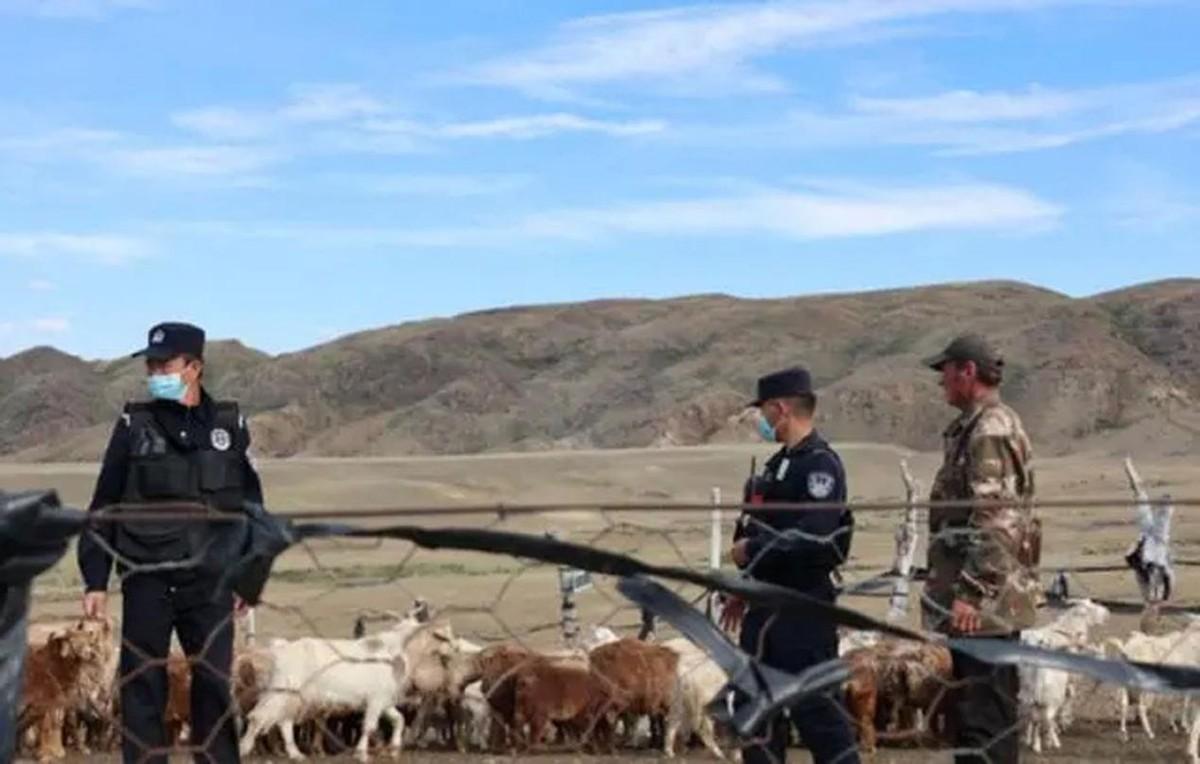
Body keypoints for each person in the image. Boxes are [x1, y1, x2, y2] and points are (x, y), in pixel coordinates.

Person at [77, 322, 262, 764]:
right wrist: (95, 581)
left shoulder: (229, 426)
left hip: (211, 582)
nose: (155, 371)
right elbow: (105, 504)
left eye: (166, 363)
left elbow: (253, 507)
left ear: (194, 367)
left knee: (215, 685)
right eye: (151, 364)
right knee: (142, 685)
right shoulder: (133, 425)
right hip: (147, 578)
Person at [720, 366, 859, 764]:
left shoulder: (819, 466)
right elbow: (755, 524)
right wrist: (744, 584)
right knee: (756, 716)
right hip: (762, 611)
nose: (762, 422)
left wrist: (754, 550)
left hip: (802, 612)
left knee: (819, 715)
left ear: (781, 409)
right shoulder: (775, 466)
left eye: (764, 412)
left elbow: (814, 534)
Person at [921, 334, 1039, 764]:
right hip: (982, 605)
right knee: (974, 718)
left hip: (986, 608)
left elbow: (998, 520)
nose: (942, 383)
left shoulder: (989, 429)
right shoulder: (975, 427)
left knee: (984, 720)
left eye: (946, 372)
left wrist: (971, 591)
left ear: (967, 371)